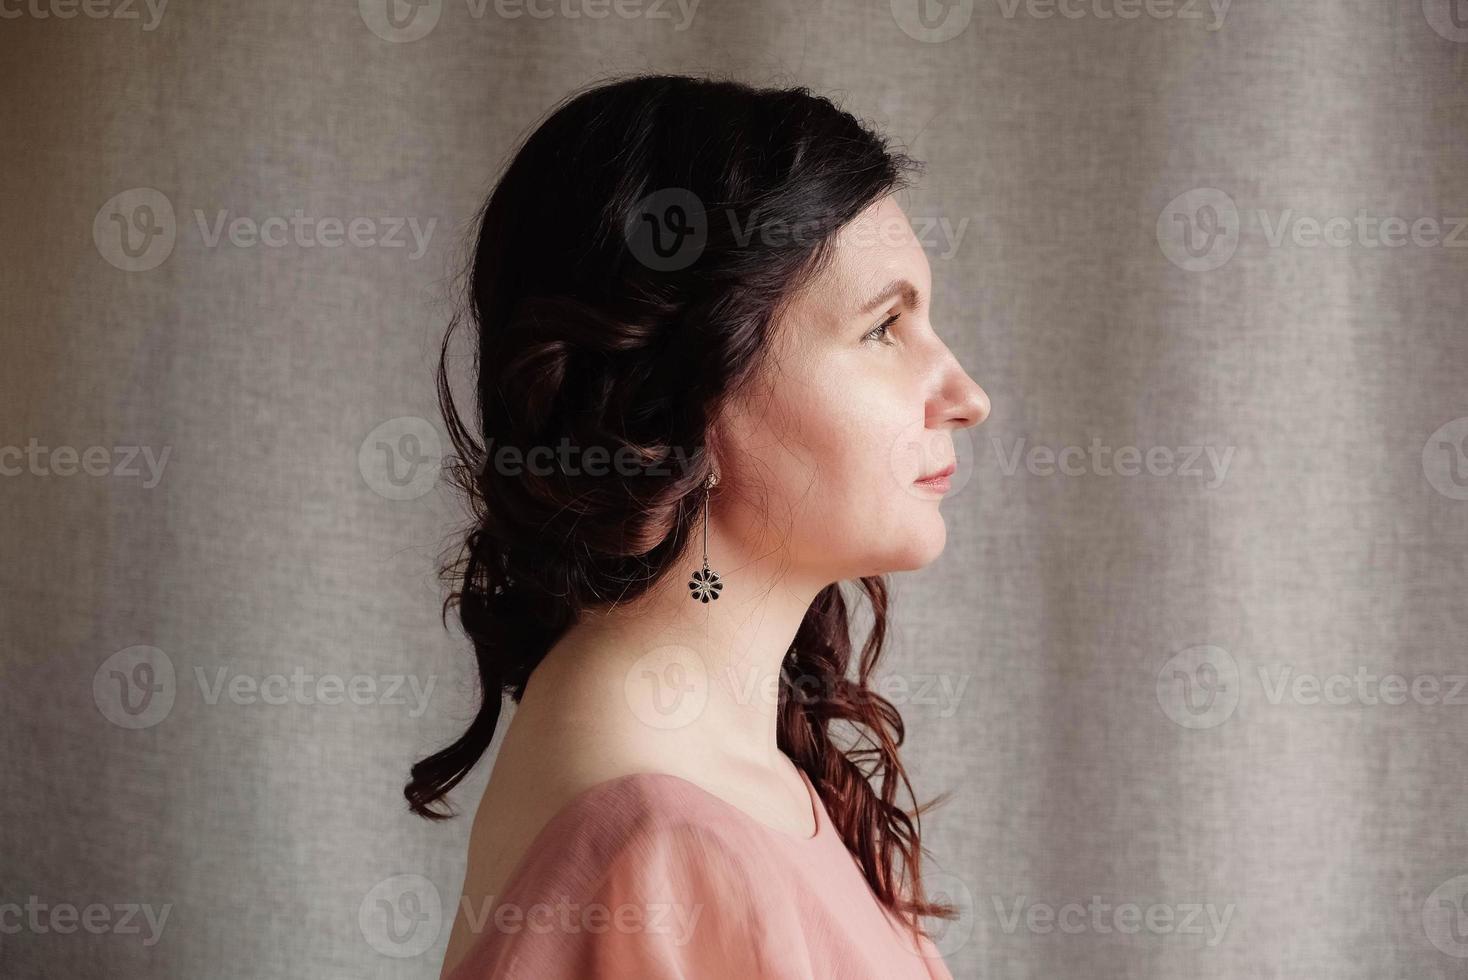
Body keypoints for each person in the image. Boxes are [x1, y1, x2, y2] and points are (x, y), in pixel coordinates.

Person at [406, 72, 990, 979]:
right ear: (682, 395)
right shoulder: (660, 842)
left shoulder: (730, 769)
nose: (965, 396)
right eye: (883, 329)